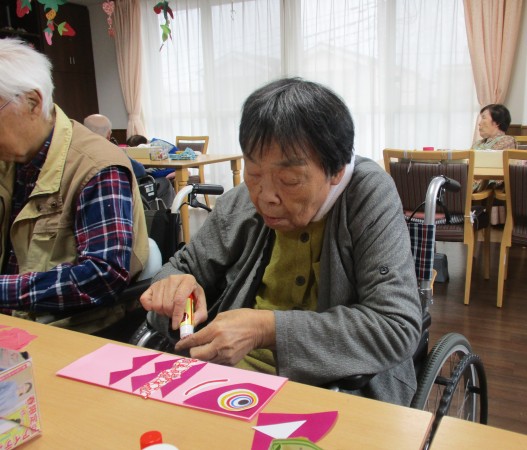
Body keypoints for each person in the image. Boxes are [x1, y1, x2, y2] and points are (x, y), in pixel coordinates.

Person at [139, 78, 422, 406]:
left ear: (336, 170)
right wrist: (178, 297)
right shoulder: (243, 201)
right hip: (226, 377)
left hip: (333, 387)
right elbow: (180, 272)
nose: (265, 197)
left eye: (289, 180)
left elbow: (396, 326)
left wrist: (266, 329)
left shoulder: (367, 194)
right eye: (253, 173)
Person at [0, 38, 148, 331]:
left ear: (33, 102)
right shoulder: (9, 160)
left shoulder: (96, 166)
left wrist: (5, 290)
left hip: (68, 329)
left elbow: (103, 275)